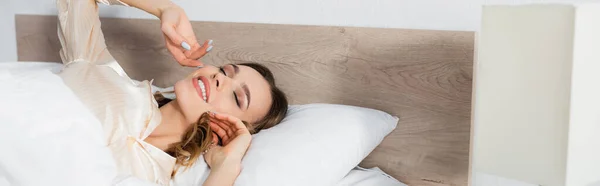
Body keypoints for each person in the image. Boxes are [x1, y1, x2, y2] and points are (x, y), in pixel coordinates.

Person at [55, 0, 288, 185]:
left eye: (237, 98)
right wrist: (165, 8)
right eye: (225, 71)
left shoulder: (154, 177)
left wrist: (226, 163)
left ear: (229, 130)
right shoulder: (101, 71)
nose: (219, 79)